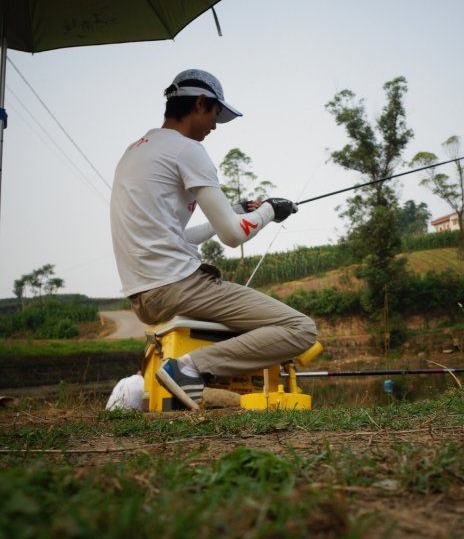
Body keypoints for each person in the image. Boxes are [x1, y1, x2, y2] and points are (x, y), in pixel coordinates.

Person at [110, 69, 317, 408]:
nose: (215, 125)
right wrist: (269, 210)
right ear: (200, 104)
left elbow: (177, 236)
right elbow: (233, 236)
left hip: (144, 294)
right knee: (300, 329)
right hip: (176, 286)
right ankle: (189, 369)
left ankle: (193, 377)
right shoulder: (186, 150)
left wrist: (235, 208)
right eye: (215, 114)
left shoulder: (134, 152)